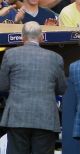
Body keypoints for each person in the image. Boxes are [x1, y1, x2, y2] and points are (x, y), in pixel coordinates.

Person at [0, 21, 67, 154]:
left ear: (22, 37)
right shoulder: (56, 58)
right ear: (41, 36)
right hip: (45, 118)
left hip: (17, 117)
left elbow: (2, 85)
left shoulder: (10, 54)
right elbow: (62, 89)